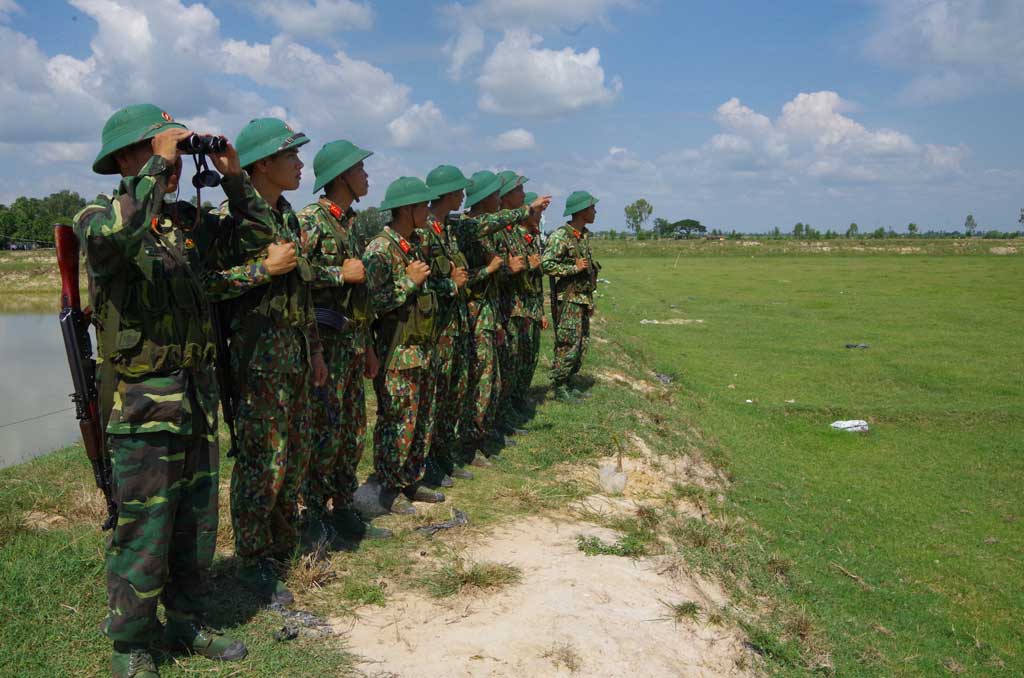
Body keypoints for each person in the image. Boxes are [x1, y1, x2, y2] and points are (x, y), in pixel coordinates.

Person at [75, 104, 287, 677]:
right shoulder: (100, 215)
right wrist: (159, 162)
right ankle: (131, 642)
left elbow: (261, 237)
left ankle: (188, 620)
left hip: (195, 398)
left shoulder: (184, 224)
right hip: (141, 403)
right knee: (144, 525)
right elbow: (114, 237)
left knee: (196, 522)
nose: (171, 165)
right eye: (158, 149)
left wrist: (235, 176)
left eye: (173, 152)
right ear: (127, 157)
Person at [223, 117, 327, 605]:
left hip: (296, 358)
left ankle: (283, 543)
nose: (301, 164)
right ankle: (252, 556)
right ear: (262, 163)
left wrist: (317, 351)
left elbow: (300, 293)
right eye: (292, 156)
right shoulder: (229, 219)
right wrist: (259, 270)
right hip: (256, 363)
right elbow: (205, 286)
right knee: (261, 463)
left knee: (295, 454)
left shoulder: (287, 218)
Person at [296, 140, 391, 542]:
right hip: (324, 346)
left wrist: (368, 345)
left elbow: (360, 294)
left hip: (352, 345)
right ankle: (314, 514)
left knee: (352, 431)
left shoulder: (350, 223)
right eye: (360, 170)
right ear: (341, 176)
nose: (366, 176)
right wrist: (339, 275)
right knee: (324, 434)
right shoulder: (310, 221)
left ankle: (343, 506)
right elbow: (294, 276)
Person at [359, 177, 448, 516]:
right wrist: (407, 282)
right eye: (423, 206)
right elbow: (369, 305)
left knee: (420, 419)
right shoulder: (381, 249)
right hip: (395, 352)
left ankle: (411, 477)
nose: (428, 211)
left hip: (421, 349)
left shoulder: (415, 244)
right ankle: (387, 485)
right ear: (407, 210)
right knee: (396, 421)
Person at [456, 172, 551, 461]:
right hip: (475, 316)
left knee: (494, 380)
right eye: (514, 190)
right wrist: (527, 211)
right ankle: (470, 443)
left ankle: (484, 435)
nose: (502, 198)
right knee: (481, 383)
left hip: (491, 314)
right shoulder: (469, 227)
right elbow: (489, 267)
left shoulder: (493, 226)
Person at [420, 165, 474, 486]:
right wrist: (452, 285)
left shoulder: (446, 228)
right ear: (448, 193)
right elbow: (422, 284)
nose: (464, 195)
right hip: (434, 329)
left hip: (453, 326)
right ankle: (426, 461)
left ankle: (442, 453)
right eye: (459, 190)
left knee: (451, 393)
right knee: (434, 398)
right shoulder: (424, 230)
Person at [541, 190, 600, 401]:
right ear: (582, 210)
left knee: (582, 343)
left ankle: (569, 380)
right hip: (568, 299)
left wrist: (590, 300)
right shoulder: (561, 236)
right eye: (592, 208)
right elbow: (546, 264)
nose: (595, 212)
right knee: (568, 343)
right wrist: (572, 268)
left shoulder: (582, 236)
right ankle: (559, 385)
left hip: (582, 298)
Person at [513, 191, 548, 414]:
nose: (539, 218)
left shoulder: (533, 238)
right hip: (518, 307)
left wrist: (542, 311)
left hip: (533, 307)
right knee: (517, 359)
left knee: (530, 356)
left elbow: (538, 282)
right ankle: (513, 402)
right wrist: (528, 263)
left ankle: (520, 398)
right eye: (537, 212)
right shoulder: (515, 237)